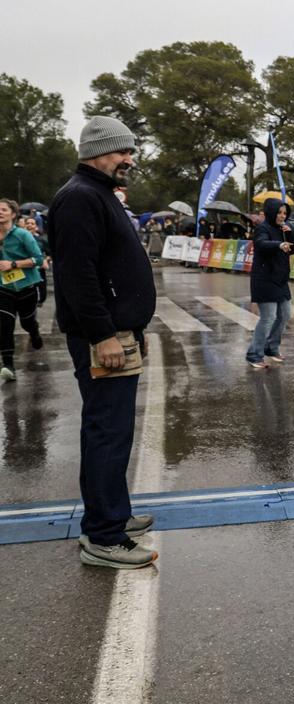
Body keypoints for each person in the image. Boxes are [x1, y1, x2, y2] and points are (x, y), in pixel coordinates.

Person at [48, 115, 158, 570]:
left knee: (114, 431)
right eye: (122, 151)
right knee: (107, 432)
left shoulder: (96, 194)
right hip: (104, 336)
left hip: (118, 332)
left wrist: (131, 330)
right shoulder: (80, 198)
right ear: (97, 150)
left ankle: (113, 514)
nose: (129, 159)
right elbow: (78, 276)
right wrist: (104, 335)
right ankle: (103, 536)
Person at [246, 199, 294, 370]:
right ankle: (254, 354)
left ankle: (271, 347)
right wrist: (279, 244)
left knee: (285, 315)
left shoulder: (284, 229)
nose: (282, 216)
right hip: (264, 279)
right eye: (279, 212)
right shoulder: (262, 228)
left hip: (280, 279)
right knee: (268, 318)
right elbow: (261, 244)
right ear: (271, 212)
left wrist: (290, 234)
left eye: (285, 213)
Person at [0, 199, 45, 380]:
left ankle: (34, 332)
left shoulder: (23, 235)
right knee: (4, 324)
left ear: (12, 214)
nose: (0, 213)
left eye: (3, 210)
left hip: (26, 285)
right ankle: (8, 365)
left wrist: (13, 264)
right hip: (3, 287)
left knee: (27, 322)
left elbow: (38, 260)